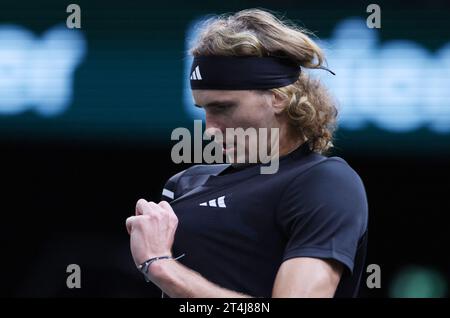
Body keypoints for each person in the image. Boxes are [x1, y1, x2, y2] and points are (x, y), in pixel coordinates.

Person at [125, 8, 368, 298]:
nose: (210, 130)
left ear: (278, 98)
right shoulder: (184, 183)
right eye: (204, 109)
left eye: (223, 107)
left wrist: (162, 267)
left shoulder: (324, 182)